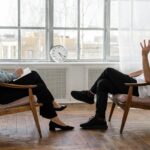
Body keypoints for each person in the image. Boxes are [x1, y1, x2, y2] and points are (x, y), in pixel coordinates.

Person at [71, 40, 150, 130]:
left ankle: (90, 95)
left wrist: (144, 55)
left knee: (109, 71)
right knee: (102, 83)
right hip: (134, 83)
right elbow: (143, 71)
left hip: (136, 88)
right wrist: (125, 76)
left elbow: (148, 79)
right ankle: (100, 119)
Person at [0, 68, 74, 131]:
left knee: (38, 83)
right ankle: (53, 110)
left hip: (4, 88)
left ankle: (54, 118)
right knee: (34, 77)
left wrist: (14, 75)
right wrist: (14, 75)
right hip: (3, 95)